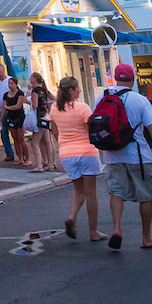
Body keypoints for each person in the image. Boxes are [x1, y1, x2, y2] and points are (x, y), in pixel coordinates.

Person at [99, 63, 152, 250]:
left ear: (116, 78)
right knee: (145, 195)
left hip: (112, 155)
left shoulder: (102, 96)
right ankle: (146, 237)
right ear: (132, 79)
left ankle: (117, 227)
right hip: (137, 155)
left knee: (116, 192)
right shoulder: (139, 100)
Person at [52, 79, 105, 242]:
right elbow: (92, 128)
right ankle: (93, 231)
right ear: (71, 91)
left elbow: (55, 132)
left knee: (79, 190)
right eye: (77, 89)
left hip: (67, 154)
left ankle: (72, 217)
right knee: (91, 194)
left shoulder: (54, 108)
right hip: (86, 151)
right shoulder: (82, 108)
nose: (80, 91)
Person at [29, 77, 59, 173]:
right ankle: (51, 164)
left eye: (31, 77)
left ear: (34, 79)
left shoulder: (35, 90)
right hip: (46, 116)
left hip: (39, 118)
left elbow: (35, 105)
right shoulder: (44, 90)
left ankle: (39, 165)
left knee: (35, 143)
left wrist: (30, 99)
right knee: (48, 141)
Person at [5, 74, 31, 167]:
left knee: (21, 138)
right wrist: (1, 120)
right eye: (9, 83)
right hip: (10, 117)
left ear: (16, 85)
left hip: (19, 117)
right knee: (15, 138)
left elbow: (18, 106)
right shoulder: (6, 94)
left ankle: (27, 158)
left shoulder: (20, 93)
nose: (10, 85)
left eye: (12, 83)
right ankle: (20, 158)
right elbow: (3, 107)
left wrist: (8, 107)